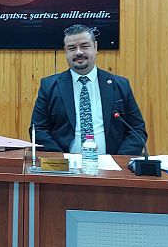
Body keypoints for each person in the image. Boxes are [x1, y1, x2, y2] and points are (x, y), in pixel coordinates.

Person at [30, 24, 146, 155]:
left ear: (95, 47)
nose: (78, 52)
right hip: (65, 164)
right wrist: (61, 160)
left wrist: (119, 160)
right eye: (72, 48)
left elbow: (137, 129)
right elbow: (38, 129)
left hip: (111, 163)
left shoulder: (120, 85)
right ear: (65, 51)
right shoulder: (49, 87)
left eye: (84, 46)